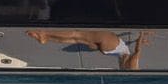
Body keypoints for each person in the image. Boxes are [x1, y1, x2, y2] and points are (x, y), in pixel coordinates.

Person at [25, 30, 153, 70]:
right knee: (76, 39)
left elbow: (137, 50)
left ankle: (46, 34)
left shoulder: (134, 67)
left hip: (113, 44)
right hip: (108, 50)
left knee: (77, 33)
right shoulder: (125, 68)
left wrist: (142, 34)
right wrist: (140, 39)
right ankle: (46, 37)